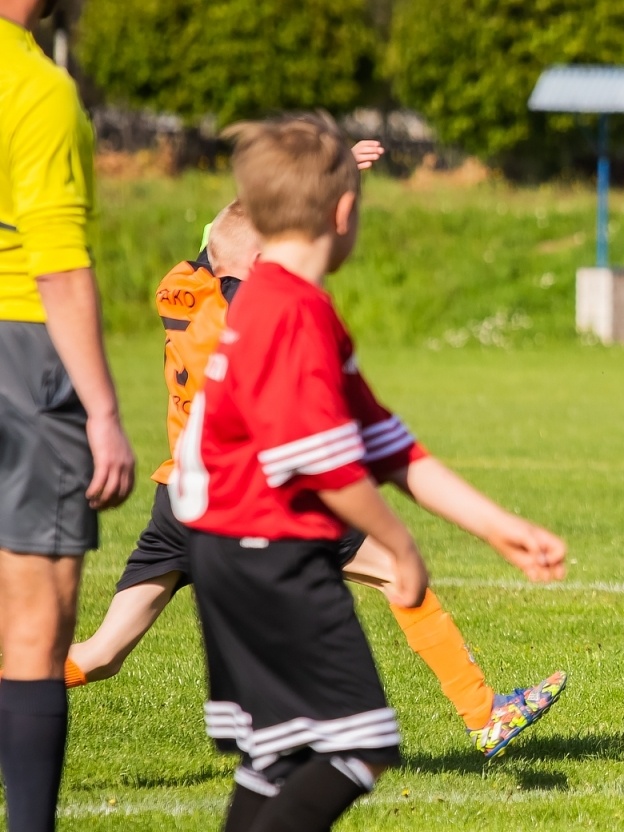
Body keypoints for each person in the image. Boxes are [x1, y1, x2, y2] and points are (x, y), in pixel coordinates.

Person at [162, 113, 568, 832]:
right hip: (268, 552)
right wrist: (402, 545)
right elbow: (318, 460)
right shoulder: (292, 313)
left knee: (274, 755)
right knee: (362, 745)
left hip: (230, 548)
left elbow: (386, 441)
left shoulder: (274, 298)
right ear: (344, 212)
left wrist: (498, 527)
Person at [63, 189, 565, 759]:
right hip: (251, 496)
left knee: (103, 654)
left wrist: (299, 180)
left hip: (180, 495)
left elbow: (224, 237)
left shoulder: (177, 287)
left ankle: (22, 684)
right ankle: (481, 712)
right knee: (397, 574)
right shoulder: (261, 319)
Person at [0, 0, 139, 832]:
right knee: (33, 626)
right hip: (22, 353)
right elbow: (56, 264)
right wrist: (103, 411)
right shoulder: (35, 87)